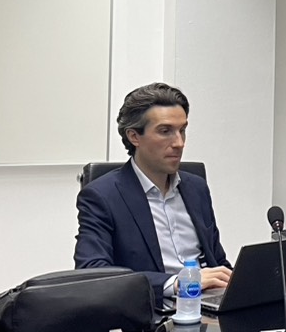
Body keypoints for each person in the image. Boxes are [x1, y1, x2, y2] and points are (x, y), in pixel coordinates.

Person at [74, 82, 231, 294]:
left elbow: (217, 261)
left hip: (206, 302)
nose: (179, 143)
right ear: (134, 136)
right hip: (152, 307)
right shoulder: (102, 196)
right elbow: (92, 271)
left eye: (182, 130)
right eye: (165, 131)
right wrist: (175, 283)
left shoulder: (196, 188)